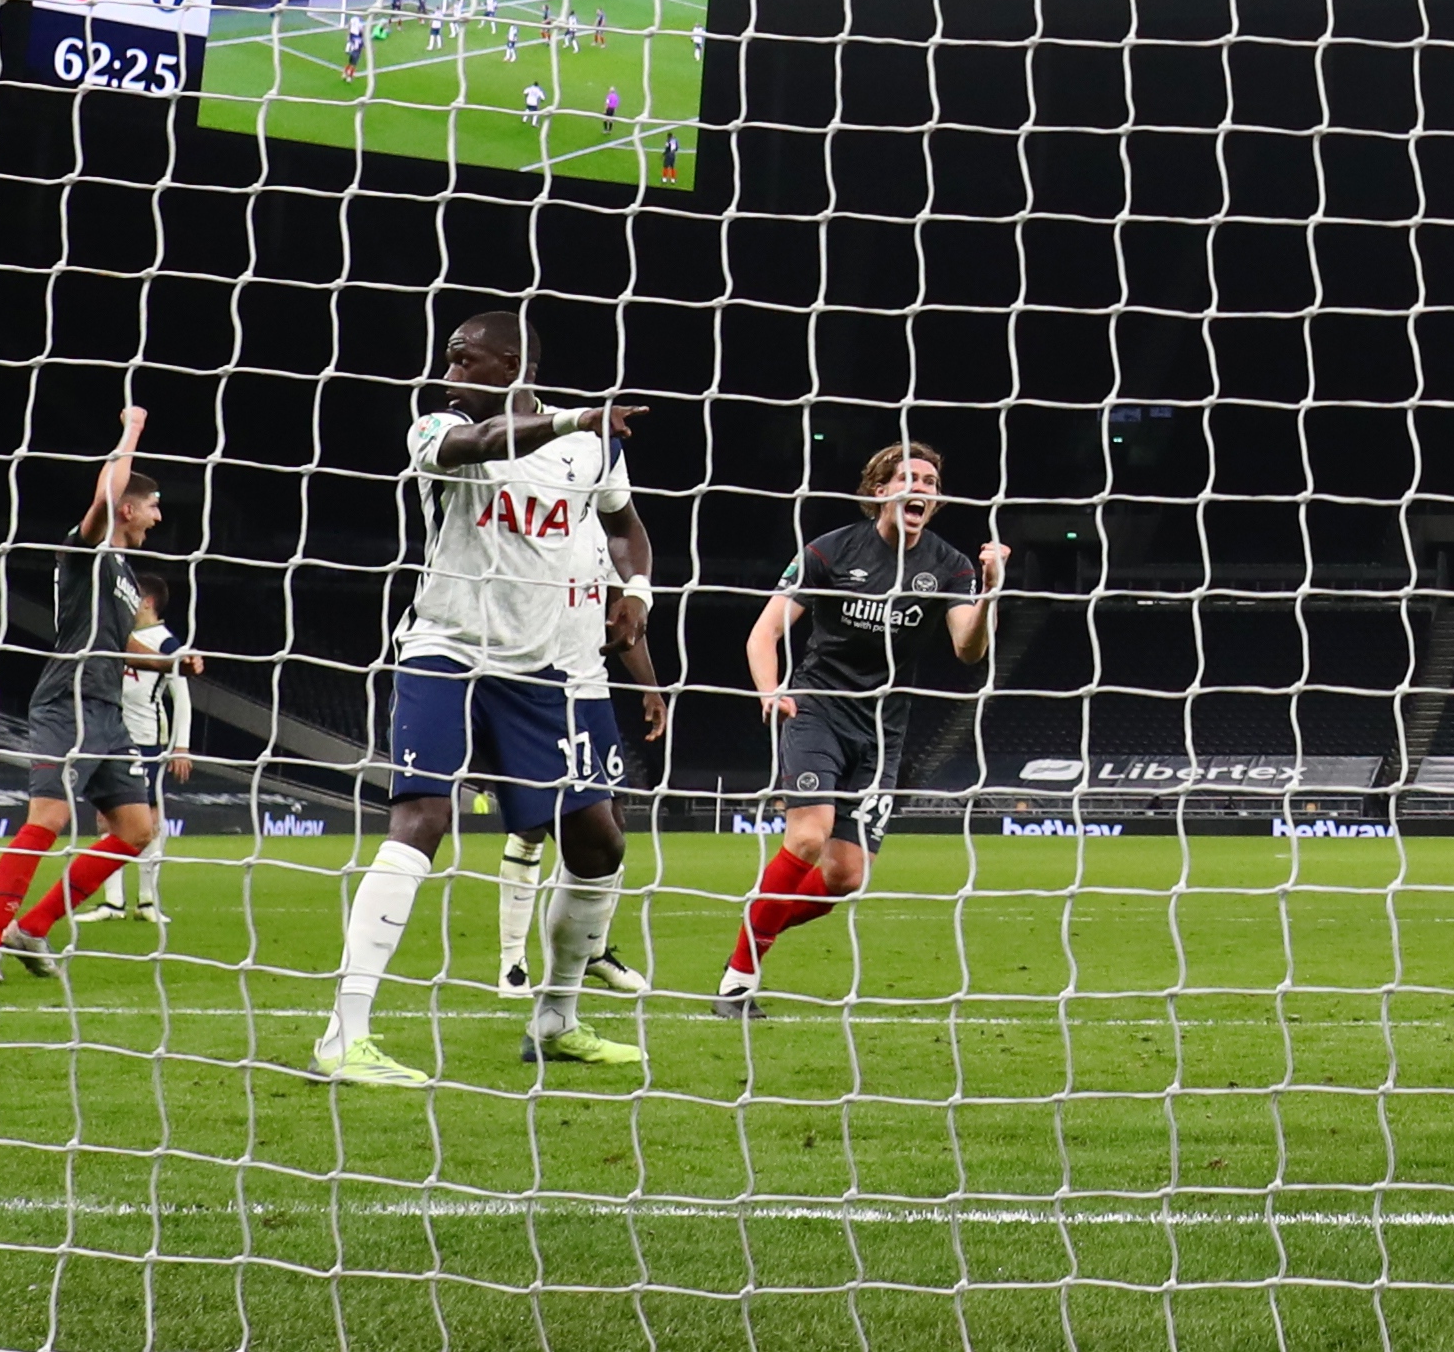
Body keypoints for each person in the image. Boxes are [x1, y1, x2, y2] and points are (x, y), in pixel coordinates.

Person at [308, 316, 650, 1083]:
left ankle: (557, 1020)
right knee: (424, 815)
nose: (450, 367)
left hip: (552, 671)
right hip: (450, 650)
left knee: (598, 841)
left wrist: (636, 591)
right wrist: (568, 416)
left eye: (466, 357)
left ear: (513, 361)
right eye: (449, 356)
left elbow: (626, 526)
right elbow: (480, 444)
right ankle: (344, 1033)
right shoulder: (436, 426)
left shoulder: (594, 449)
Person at [719, 443, 1010, 1016]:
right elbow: (763, 634)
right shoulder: (831, 551)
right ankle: (737, 980)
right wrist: (770, 690)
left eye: (930, 481)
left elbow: (967, 650)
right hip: (817, 713)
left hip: (883, 731)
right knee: (806, 836)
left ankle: (763, 912)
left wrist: (990, 588)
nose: (921, 488)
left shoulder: (948, 565)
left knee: (846, 877)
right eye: (909, 479)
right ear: (880, 490)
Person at [0, 409, 169, 985]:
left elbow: (118, 640)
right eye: (152, 504)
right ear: (127, 508)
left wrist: (167, 659)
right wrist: (131, 429)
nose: (158, 515)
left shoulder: (125, 572)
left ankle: (32, 928)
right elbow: (106, 492)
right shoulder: (89, 549)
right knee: (50, 817)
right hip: (66, 700)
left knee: (135, 829)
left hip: (108, 709)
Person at [494, 502, 669, 996]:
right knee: (533, 820)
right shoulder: (531, 513)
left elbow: (621, 616)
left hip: (591, 689)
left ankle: (592, 946)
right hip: (536, 685)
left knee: (611, 819)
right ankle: (512, 962)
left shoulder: (608, 528)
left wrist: (650, 689)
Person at [72, 578, 198, 928]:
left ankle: (147, 900)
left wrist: (181, 746)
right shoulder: (117, 636)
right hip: (111, 736)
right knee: (105, 818)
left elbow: (182, 699)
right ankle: (113, 902)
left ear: (145, 602)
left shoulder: (167, 643)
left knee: (150, 820)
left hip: (146, 741)